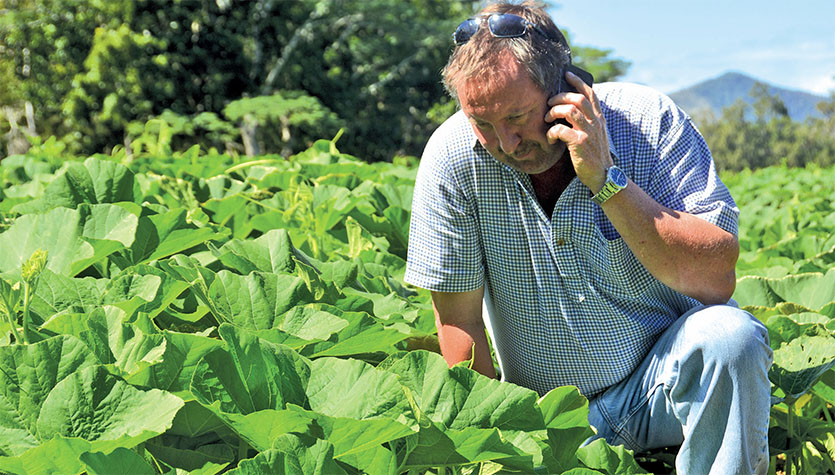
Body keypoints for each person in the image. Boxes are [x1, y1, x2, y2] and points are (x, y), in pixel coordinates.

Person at [403, 1, 773, 473]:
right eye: (483, 122)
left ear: (565, 90)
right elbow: (459, 324)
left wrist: (606, 180)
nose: (504, 144)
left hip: (666, 389)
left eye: (516, 117)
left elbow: (716, 280)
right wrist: (489, 452)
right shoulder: (451, 157)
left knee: (731, 337)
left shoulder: (648, 121)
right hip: (551, 419)